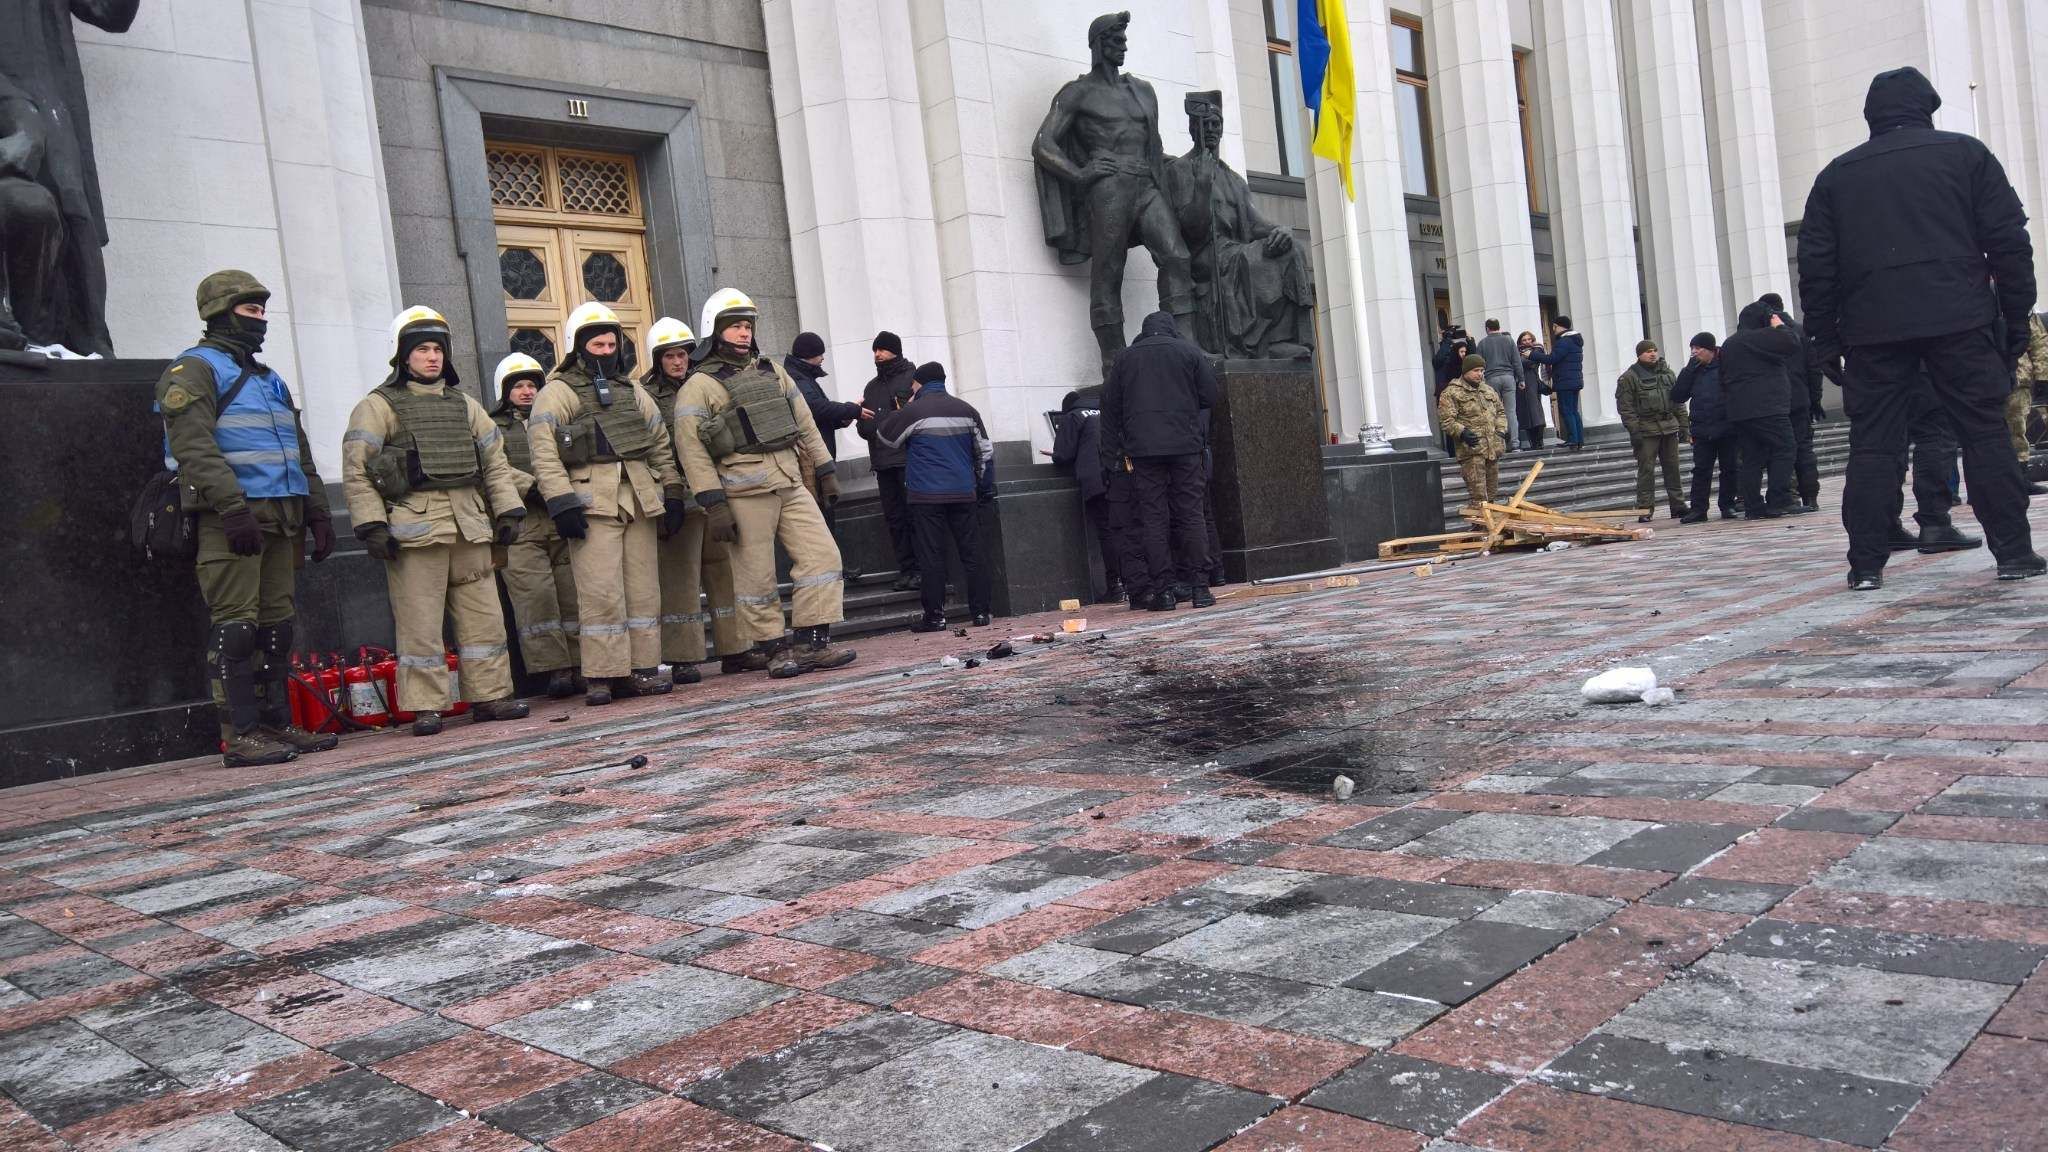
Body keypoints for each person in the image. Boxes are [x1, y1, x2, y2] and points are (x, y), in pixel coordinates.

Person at [1798, 65, 2041, 588]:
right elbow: (2009, 243)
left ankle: (1865, 565)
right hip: (1961, 317)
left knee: (1874, 444)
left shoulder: (1836, 176)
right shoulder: (1967, 155)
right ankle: (2015, 553)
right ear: (1927, 107)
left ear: (1872, 117)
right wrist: (2017, 316)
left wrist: (1824, 338)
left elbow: (1817, 267)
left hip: (1873, 329)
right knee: (1983, 433)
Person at [155, 270, 337, 766]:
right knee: (235, 629)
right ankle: (239, 734)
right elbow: (193, 447)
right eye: (250, 311)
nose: (260, 321)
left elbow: (299, 452)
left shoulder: (268, 377)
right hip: (231, 520)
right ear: (219, 313)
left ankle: (277, 722)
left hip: (282, 519)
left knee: (277, 627)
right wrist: (232, 508)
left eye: (262, 312)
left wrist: (318, 511)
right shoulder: (192, 370)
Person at [343, 307, 529, 736]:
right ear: (402, 356)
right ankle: (426, 705)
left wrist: (508, 510)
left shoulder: (465, 406)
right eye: (422, 349)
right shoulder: (378, 406)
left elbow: (495, 464)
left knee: (485, 618)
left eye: (438, 350)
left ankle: (492, 695)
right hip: (415, 530)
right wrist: (371, 525)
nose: (432, 358)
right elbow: (357, 469)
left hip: (470, 526)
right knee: (420, 625)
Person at [675, 288, 858, 677]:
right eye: (736, 327)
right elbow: (692, 451)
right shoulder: (699, 385)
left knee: (824, 557)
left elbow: (804, 422)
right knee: (756, 576)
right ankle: (775, 649)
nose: (744, 333)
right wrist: (715, 504)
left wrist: (825, 471)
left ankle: (814, 643)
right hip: (743, 491)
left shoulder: (771, 369)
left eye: (747, 326)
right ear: (715, 331)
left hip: (790, 482)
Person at [528, 301, 684, 705]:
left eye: (611, 343)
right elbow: (544, 451)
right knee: (600, 591)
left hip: (639, 500)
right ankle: (601, 675)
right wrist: (560, 501)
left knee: (643, 590)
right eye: (596, 343)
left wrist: (672, 490)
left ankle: (643, 669)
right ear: (578, 347)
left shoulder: (633, 392)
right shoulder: (557, 392)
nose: (605, 350)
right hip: (590, 502)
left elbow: (660, 446)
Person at [1032, 11, 1195, 375]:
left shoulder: (1141, 90)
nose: (1123, 46)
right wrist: (1079, 174)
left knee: (1176, 255)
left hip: (1146, 182)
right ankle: (1114, 360)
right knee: (1108, 271)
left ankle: (1186, 346)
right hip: (1109, 185)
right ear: (1098, 44)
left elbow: (1154, 145)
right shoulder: (1078, 93)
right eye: (1116, 40)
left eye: (1124, 40)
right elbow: (1043, 144)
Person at [642, 317, 748, 681]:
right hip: (678, 496)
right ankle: (683, 657)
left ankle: (738, 648)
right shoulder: (645, 394)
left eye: (684, 354)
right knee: (680, 579)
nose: (678, 362)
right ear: (658, 359)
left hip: (715, 491)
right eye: (670, 355)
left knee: (725, 573)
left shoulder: (707, 385)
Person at [1101, 311, 1216, 612]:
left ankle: (1163, 592)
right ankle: (1201, 588)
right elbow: (1210, 396)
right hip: (1185, 446)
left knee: (1153, 519)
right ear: (1171, 329)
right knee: (1191, 514)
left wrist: (1110, 455)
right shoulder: (1189, 352)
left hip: (1143, 451)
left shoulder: (1125, 359)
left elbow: (1110, 409)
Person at [876, 362, 996, 631]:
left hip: (926, 496)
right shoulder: (967, 410)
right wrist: (980, 485)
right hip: (964, 493)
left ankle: (935, 616)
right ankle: (981, 613)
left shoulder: (914, 411)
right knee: (973, 552)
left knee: (931, 555)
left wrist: (900, 411)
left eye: (914, 385)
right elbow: (985, 453)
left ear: (918, 384)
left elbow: (886, 437)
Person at [490, 353, 580, 699]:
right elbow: (493, 467)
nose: (527, 392)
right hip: (524, 526)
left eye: (532, 385)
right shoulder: (492, 425)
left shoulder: (556, 417)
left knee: (572, 598)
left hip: (561, 521)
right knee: (537, 601)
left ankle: (581, 664)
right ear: (505, 390)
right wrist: (532, 487)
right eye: (519, 386)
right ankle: (554, 670)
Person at [1718, 301, 1802, 520]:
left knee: (1752, 457)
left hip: (1740, 410)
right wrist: (1778, 325)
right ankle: (1778, 499)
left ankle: (1754, 506)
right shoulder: (1761, 336)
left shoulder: (1730, 343)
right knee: (1785, 448)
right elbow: (1792, 341)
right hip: (1767, 407)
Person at [784, 332, 869, 532]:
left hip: (816, 460)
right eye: (820, 354)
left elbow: (814, 418)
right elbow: (815, 408)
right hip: (811, 463)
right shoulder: (796, 378)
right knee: (821, 518)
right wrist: (852, 410)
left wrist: (840, 420)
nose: (823, 358)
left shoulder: (801, 376)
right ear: (809, 354)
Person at [857, 331, 921, 591]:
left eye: (882, 349)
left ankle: (921, 570)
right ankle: (906, 570)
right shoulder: (872, 387)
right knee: (894, 518)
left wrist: (879, 425)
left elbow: (912, 418)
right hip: (882, 462)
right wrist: (869, 425)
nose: (877, 354)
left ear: (895, 350)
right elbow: (864, 427)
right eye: (875, 350)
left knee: (913, 516)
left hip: (907, 459)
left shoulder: (912, 378)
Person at [1050, 386, 1124, 604]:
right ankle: (1132, 583)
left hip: (1095, 480)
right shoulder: (1104, 411)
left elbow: (1063, 454)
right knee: (1123, 530)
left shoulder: (1073, 416)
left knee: (1106, 532)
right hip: (1118, 476)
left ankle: (1115, 585)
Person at [1759, 293, 1825, 510]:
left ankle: (1788, 495)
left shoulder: (1764, 334)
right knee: (1804, 449)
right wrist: (1815, 399)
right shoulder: (1799, 330)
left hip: (1776, 401)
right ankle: (1811, 497)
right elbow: (1814, 369)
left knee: (1781, 450)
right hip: (1800, 399)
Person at [1616, 340, 1689, 522]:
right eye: (1648, 351)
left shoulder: (1667, 373)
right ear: (1639, 354)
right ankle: (1645, 509)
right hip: (1646, 430)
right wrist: (1634, 431)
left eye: (1655, 350)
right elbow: (1626, 408)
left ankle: (1678, 506)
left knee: (1673, 469)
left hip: (1669, 427)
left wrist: (1684, 425)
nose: (1653, 354)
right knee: (1646, 471)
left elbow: (1678, 401)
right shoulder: (1629, 378)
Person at [1673, 333, 1738, 523]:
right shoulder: (1693, 370)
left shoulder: (1726, 365)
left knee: (1730, 468)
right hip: (1702, 428)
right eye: (1692, 348)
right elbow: (1678, 395)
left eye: (1698, 348)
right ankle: (1698, 509)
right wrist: (1688, 371)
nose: (1694, 352)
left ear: (1710, 349)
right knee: (1701, 470)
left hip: (1727, 426)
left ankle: (1728, 505)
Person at [1439, 354, 1509, 507]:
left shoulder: (1488, 390)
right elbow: (1447, 420)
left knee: (1491, 495)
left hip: (1493, 449)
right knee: (1479, 497)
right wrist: (1462, 432)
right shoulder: (1451, 392)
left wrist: (1501, 431)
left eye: (1482, 370)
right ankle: (1480, 526)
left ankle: (1487, 526)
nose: (1480, 374)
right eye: (1476, 370)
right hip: (1472, 452)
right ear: (1466, 371)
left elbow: (1501, 413)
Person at [1524, 318, 1585, 450]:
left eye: (1554, 327)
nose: (1553, 330)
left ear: (1558, 326)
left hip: (1565, 381)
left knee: (1567, 410)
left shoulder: (1564, 341)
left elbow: (1552, 358)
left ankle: (1573, 439)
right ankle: (1579, 439)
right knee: (1574, 410)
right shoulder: (1575, 340)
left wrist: (1532, 355)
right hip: (1574, 380)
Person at [1477, 319, 1524, 451]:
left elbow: (1479, 365)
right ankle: (1515, 443)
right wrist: (1521, 379)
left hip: (1491, 379)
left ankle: (1497, 444)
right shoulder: (1509, 340)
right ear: (1499, 327)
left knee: (1493, 412)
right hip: (1509, 378)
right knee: (1511, 412)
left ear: (1487, 329)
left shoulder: (1482, 343)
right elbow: (1517, 361)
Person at [2013, 312, 2047, 493]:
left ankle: (2020, 479)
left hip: (2016, 376)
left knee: (2017, 430)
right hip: (1983, 379)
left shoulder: (2015, 301)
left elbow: (2038, 341)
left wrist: (2043, 377)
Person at [1516, 330, 1548, 449]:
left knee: (1536, 412)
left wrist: (1519, 361)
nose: (1527, 342)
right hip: (1520, 385)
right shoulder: (1517, 351)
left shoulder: (1537, 349)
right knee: (1525, 414)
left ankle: (1539, 441)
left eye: (1529, 339)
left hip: (1532, 383)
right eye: (1524, 340)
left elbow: (1529, 362)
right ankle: (1532, 442)